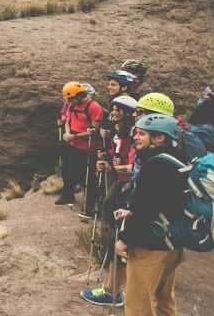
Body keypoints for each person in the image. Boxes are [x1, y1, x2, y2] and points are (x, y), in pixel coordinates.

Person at [114, 114, 188, 316]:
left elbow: (145, 210)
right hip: (173, 241)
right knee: (164, 299)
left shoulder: (155, 166)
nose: (136, 137)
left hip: (151, 243)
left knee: (138, 304)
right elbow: (160, 201)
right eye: (136, 133)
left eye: (142, 134)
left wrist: (124, 239)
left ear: (159, 138)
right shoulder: (178, 160)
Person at [81, 94, 138, 307]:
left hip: (127, 186)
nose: (113, 113)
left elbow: (134, 167)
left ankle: (113, 291)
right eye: (113, 108)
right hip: (120, 182)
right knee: (110, 218)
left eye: (118, 110)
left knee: (120, 234)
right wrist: (105, 157)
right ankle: (114, 285)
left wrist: (111, 167)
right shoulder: (120, 132)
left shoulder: (133, 135)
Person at [57, 82, 105, 209]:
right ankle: (67, 194)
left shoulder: (94, 107)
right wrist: (67, 133)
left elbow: (94, 130)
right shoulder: (72, 104)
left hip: (87, 147)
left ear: (79, 95)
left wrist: (74, 136)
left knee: (86, 176)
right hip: (71, 142)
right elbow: (68, 120)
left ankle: (90, 203)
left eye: (71, 99)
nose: (68, 102)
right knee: (66, 170)